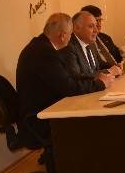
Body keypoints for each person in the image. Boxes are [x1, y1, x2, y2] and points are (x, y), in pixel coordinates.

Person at [16, 13, 113, 144]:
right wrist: (100, 84)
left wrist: (96, 80)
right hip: (40, 117)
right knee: (95, 122)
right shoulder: (45, 53)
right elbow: (69, 87)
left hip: (45, 108)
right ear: (62, 36)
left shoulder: (40, 46)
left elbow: (68, 79)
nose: (71, 38)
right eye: (70, 34)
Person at [60, 11, 121, 83]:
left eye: (96, 26)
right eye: (91, 26)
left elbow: (99, 64)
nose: (96, 30)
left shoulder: (91, 43)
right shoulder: (68, 46)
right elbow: (78, 77)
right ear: (76, 28)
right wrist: (109, 71)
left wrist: (115, 67)